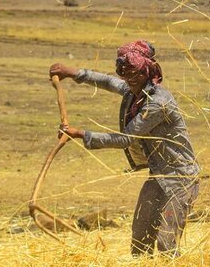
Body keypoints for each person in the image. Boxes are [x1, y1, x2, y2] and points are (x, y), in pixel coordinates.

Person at [50, 41, 200, 256]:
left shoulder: (157, 103)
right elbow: (109, 82)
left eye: (136, 73)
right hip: (158, 176)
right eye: (125, 73)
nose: (130, 79)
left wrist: (80, 134)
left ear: (147, 71)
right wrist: (73, 73)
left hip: (181, 179)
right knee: (140, 237)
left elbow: (125, 139)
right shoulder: (134, 91)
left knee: (166, 241)